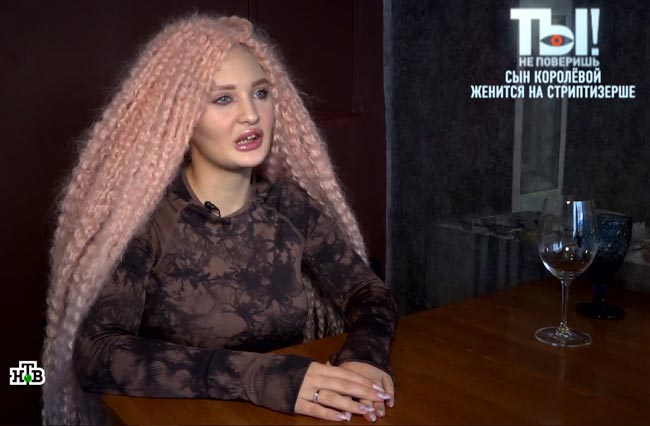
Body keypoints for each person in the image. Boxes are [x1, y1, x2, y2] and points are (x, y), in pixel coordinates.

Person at [42, 14, 396, 425]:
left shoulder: (291, 207)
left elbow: (369, 293)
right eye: (223, 99)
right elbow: (97, 353)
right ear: (182, 118)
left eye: (260, 93)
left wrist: (364, 356)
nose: (251, 115)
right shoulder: (145, 223)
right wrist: (258, 377)